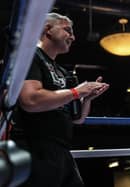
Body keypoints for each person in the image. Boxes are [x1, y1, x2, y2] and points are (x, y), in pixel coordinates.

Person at [10, 12, 109, 187]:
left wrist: (87, 98)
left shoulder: (62, 71)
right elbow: (30, 100)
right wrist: (76, 92)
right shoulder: (30, 56)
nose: (73, 36)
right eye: (67, 30)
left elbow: (77, 119)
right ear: (47, 29)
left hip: (61, 150)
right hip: (34, 146)